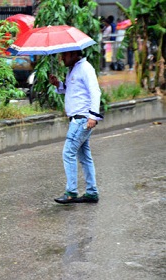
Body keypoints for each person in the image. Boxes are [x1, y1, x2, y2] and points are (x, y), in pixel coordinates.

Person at [48, 50, 103, 204]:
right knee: (84, 157)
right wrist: (58, 84)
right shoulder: (73, 69)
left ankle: (71, 192)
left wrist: (93, 116)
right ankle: (92, 192)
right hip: (77, 119)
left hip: (82, 119)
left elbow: (95, 92)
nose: (61, 58)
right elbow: (73, 91)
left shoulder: (85, 68)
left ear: (73, 54)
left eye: (64, 55)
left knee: (68, 152)